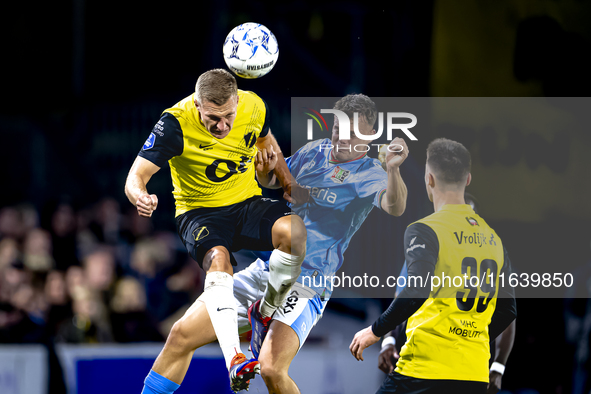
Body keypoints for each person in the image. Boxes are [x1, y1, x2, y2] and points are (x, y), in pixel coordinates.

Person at [124, 69, 307, 393]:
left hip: (247, 204)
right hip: (201, 214)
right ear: (197, 105)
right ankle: (235, 358)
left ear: (238, 102)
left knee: (294, 232)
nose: (221, 126)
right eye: (212, 118)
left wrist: (289, 182)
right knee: (218, 262)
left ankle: (263, 313)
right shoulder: (174, 124)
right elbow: (135, 176)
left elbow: (267, 143)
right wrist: (141, 196)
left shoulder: (254, 107)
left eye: (228, 117)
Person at [237, 93, 409, 393]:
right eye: (338, 128)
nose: (342, 137)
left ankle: (261, 315)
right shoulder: (314, 150)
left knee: (271, 368)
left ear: (370, 136)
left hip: (309, 282)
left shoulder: (370, 173)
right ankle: (258, 315)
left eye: (352, 132)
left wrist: (394, 169)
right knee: (184, 331)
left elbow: (395, 206)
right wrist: (265, 169)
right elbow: (275, 180)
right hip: (272, 266)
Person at [350, 138, 517, 393]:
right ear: (468, 179)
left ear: (429, 179)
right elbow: (508, 309)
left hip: (423, 371)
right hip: (473, 375)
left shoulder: (425, 230)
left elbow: (414, 290)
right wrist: (469, 338)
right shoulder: (494, 239)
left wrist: (375, 332)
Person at [377, 193, 516, 394]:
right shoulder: (493, 252)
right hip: (455, 366)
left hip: (439, 365)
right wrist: (389, 339)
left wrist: (497, 367)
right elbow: (402, 298)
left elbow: (508, 315)